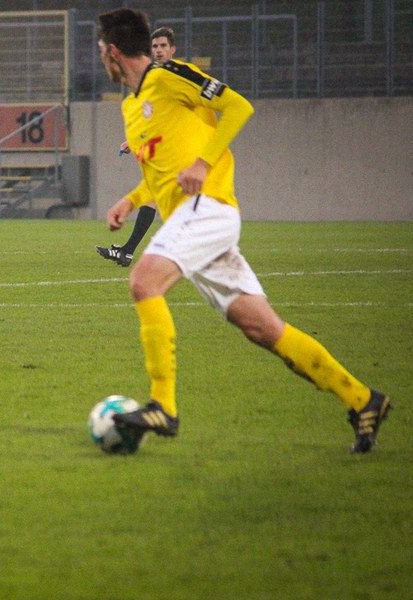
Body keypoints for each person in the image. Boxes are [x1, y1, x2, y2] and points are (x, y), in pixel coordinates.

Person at [95, 8, 390, 453]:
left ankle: (163, 406)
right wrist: (131, 200)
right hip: (189, 220)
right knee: (262, 328)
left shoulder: (170, 76)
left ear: (114, 52)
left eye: (101, 49)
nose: (101, 56)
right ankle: (363, 400)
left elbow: (237, 106)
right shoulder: (131, 106)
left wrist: (203, 163)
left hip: (208, 208)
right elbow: (164, 172)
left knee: (143, 281)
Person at [97, 26, 177, 267]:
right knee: (152, 199)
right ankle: (128, 251)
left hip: (184, 153)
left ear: (172, 49)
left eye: (163, 45)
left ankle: (133, 252)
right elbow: (156, 118)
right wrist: (135, 141)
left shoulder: (179, 77)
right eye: (155, 46)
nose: (159, 50)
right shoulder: (154, 79)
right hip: (165, 151)